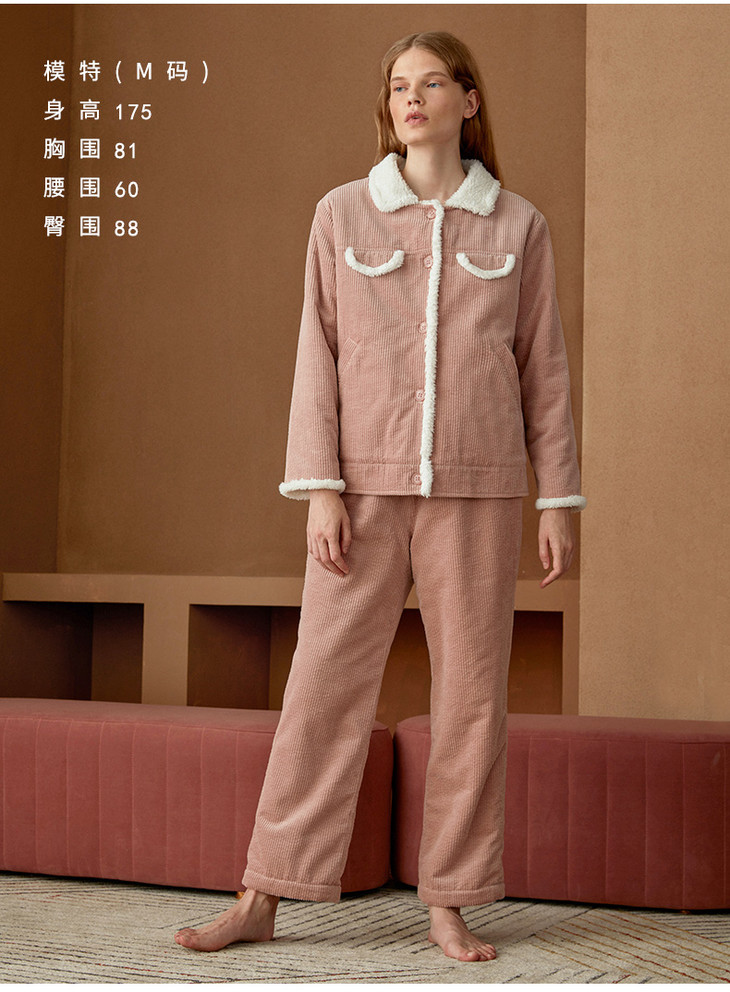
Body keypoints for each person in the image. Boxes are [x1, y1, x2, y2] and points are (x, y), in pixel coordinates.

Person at [174, 30, 585, 963]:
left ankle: (452, 900)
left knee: (472, 700)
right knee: (321, 690)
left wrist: (558, 500)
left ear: (467, 102)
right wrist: (320, 488)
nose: (412, 98)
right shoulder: (342, 214)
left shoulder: (517, 225)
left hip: (479, 493)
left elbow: (545, 370)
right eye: (399, 85)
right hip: (362, 493)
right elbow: (315, 355)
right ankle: (263, 892)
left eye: (431, 83)